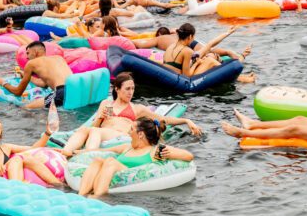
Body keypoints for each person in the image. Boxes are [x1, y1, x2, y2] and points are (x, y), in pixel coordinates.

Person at [61, 72, 201, 156]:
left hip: (120, 137)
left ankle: (88, 155)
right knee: (86, 129)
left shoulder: (137, 109)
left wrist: (187, 121)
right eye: (127, 89)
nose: (131, 92)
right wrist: (100, 117)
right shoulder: (107, 104)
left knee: (95, 132)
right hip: (102, 132)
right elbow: (96, 125)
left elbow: (164, 119)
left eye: (133, 89)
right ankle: (65, 152)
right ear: (117, 89)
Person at [76, 118, 194, 197]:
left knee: (111, 162)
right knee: (98, 160)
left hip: (130, 177)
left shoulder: (155, 151)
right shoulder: (127, 147)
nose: (128, 132)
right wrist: (78, 152)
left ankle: (97, 198)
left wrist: (170, 154)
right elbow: (101, 151)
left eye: (132, 129)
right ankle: (80, 196)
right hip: (110, 173)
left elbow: (189, 156)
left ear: (140, 134)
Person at [0, 113, 61, 184]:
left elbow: (33, 149)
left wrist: (48, 133)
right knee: (17, 159)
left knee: (24, 157)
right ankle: (17, 188)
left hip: (13, 176)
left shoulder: (6, 147)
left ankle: (59, 185)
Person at [0, 40, 73, 109]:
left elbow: (18, 92)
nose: (26, 57)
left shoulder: (31, 63)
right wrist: (26, 76)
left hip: (62, 91)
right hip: (77, 87)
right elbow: (44, 84)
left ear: (35, 52)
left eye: (28, 53)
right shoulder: (59, 58)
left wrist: (3, 83)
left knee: (25, 108)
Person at [163, 23, 242, 77]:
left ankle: (238, 75)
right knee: (210, 61)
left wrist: (227, 32)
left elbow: (209, 45)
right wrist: (196, 63)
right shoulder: (187, 51)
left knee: (208, 51)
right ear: (190, 36)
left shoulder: (171, 46)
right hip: (179, 80)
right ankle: (238, 77)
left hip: (170, 76)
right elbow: (186, 76)